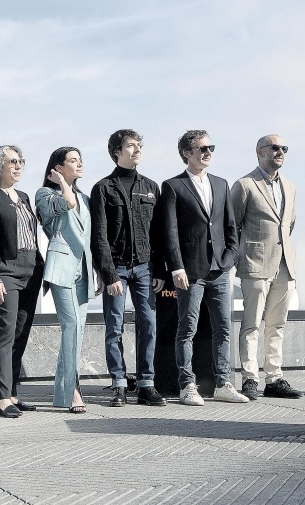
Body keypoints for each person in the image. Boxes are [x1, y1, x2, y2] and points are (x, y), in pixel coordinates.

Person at [157, 130, 249, 406]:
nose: (208, 152)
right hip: (190, 272)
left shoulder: (221, 184)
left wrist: (230, 257)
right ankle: (187, 385)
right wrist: (176, 268)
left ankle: (223, 383)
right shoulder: (173, 186)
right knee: (187, 328)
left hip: (220, 269)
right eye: (202, 148)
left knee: (223, 328)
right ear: (187, 153)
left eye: (211, 147)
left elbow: (231, 226)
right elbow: (169, 232)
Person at [89, 129, 166, 408]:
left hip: (145, 268)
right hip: (117, 269)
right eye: (131, 146)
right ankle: (119, 384)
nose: (137, 150)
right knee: (115, 327)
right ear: (117, 152)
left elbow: (158, 233)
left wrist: (160, 271)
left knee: (149, 325)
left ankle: (146, 385)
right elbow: (99, 236)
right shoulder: (102, 188)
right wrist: (108, 274)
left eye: (139, 145)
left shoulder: (151, 186)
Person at [230, 135, 303, 401]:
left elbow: (289, 225)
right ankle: (250, 378)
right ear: (260, 152)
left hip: (286, 264)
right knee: (251, 324)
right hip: (255, 263)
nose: (280, 152)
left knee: (277, 325)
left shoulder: (291, 187)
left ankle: (274, 378)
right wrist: (240, 257)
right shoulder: (245, 184)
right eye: (274, 148)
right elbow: (233, 225)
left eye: (284, 148)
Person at [0, 145, 45, 418]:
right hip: (6, 271)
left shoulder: (25, 197)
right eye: (12, 162)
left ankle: (12, 393)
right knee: (5, 332)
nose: (18, 166)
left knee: (20, 333)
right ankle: (2, 398)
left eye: (21, 162)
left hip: (32, 270)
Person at [35, 147, 93, 413]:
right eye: (72, 161)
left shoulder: (86, 198)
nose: (79, 164)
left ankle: (63, 391)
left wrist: (99, 273)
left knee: (78, 330)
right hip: (61, 268)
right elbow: (66, 203)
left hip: (84, 269)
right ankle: (73, 390)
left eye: (80, 160)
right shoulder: (46, 194)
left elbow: (90, 238)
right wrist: (60, 182)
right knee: (71, 326)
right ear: (58, 167)